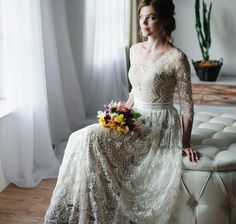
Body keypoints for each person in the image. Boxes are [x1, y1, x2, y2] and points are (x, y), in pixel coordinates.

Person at [44, 0, 200, 223]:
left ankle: (98, 212)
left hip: (160, 124)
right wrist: (121, 113)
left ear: (164, 20)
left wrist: (185, 144)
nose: (144, 23)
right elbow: (136, 90)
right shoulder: (136, 50)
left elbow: (187, 106)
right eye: (141, 17)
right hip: (136, 117)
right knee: (78, 138)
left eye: (151, 17)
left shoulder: (177, 58)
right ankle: (87, 207)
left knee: (91, 138)